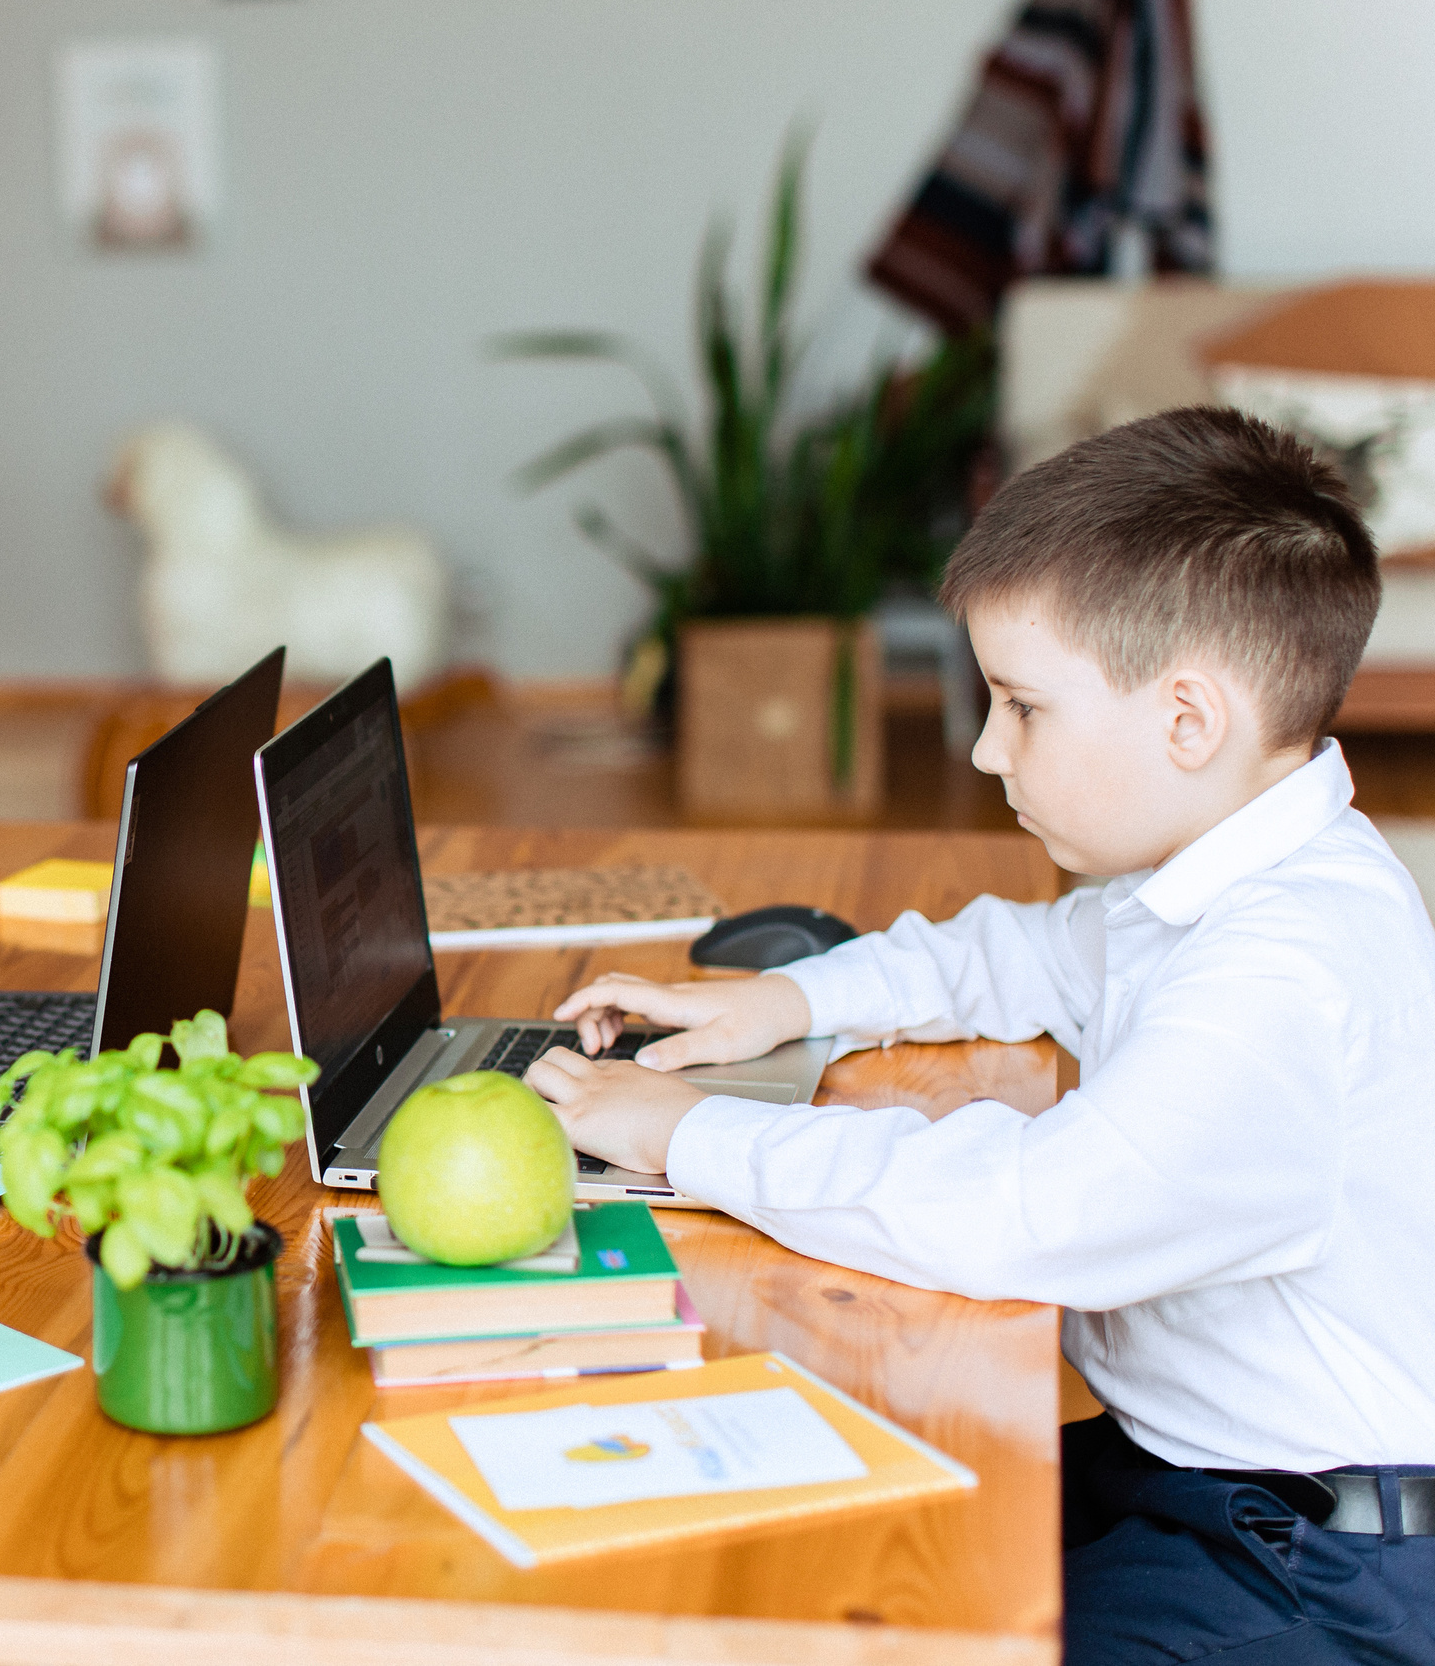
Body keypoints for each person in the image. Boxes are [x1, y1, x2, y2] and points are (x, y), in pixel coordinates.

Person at [528, 407, 1434, 1664]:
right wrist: (786, 1002)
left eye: (1020, 706)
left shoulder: (1281, 966)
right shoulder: (1220, 867)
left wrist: (690, 1134)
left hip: (1315, 1561)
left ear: (1188, 721)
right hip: (1189, 1471)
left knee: (889, 1604)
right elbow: (1015, 951)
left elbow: (1027, 1212)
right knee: (800, 1535)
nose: (981, 746)